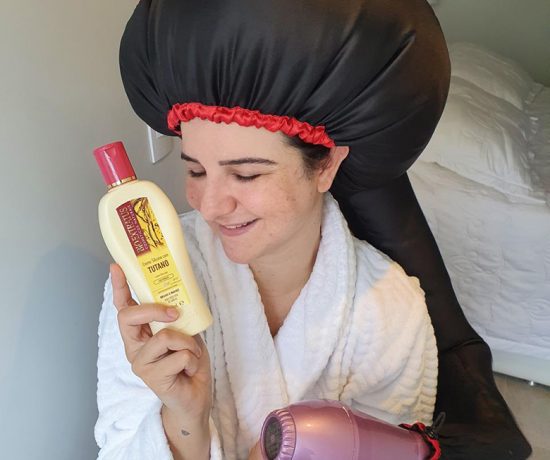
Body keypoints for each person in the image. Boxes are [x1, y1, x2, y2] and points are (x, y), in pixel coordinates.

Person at [96, 0, 531, 459]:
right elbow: (119, 445)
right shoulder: (152, 279)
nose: (210, 205)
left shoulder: (390, 311)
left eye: (246, 175)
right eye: (196, 171)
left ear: (326, 167)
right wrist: (184, 419)